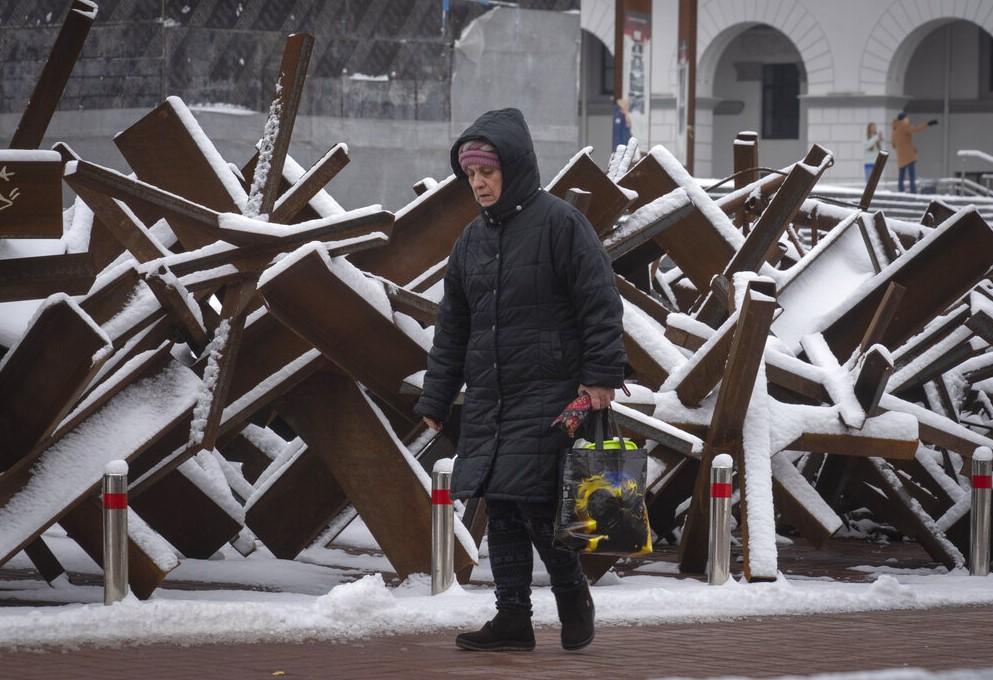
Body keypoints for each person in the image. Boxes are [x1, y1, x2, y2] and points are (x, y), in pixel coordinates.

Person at [414, 108, 626, 652]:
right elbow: (452, 326)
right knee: (501, 503)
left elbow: (599, 302)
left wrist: (600, 377)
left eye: (487, 171)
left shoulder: (560, 223)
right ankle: (513, 618)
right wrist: (437, 395)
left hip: (552, 391)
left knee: (535, 503)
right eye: (470, 175)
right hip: (491, 395)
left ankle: (572, 592)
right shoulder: (469, 242)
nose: (479, 184)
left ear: (514, 166)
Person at [891, 111, 937, 193]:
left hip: (900, 156)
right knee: (912, 175)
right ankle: (913, 191)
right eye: (906, 118)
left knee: (901, 175)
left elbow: (893, 144)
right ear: (904, 119)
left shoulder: (895, 129)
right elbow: (916, 129)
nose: (908, 120)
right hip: (909, 156)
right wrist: (927, 124)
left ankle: (901, 190)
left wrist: (909, 146)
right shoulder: (904, 126)